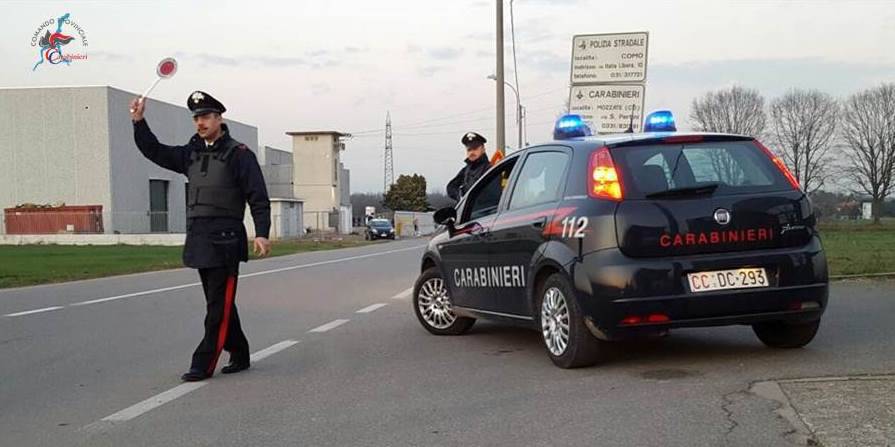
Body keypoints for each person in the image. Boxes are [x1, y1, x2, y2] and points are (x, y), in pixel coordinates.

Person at [129, 91, 271, 382]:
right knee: (219, 302)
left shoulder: (239, 154)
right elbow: (153, 150)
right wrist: (139, 121)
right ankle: (240, 352)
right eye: (196, 117)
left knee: (217, 305)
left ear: (219, 119)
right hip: (200, 238)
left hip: (227, 239)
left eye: (206, 116)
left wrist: (262, 233)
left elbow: (258, 196)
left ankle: (203, 363)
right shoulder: (189, 154)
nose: (200, 122)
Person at [447, 132, 490, 201]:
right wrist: (460, 196)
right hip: (468, 210)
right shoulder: (465, 170)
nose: (472, 152)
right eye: (469, 149)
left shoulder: (490, 169)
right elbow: (450, 187)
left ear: (483, 149)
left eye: (475, 148)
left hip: (483, 210)